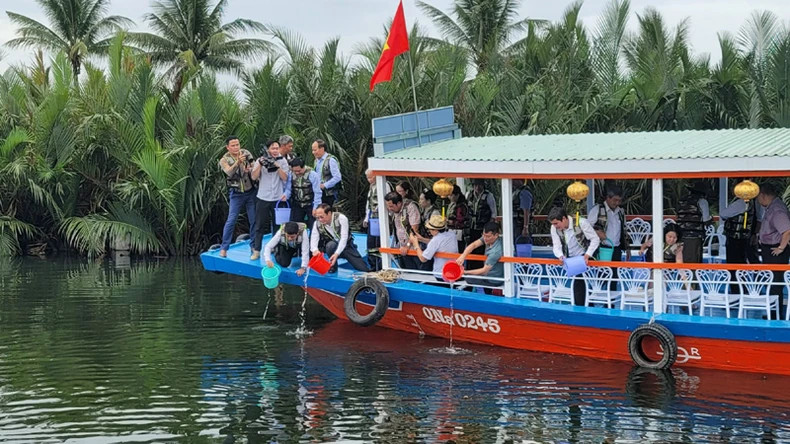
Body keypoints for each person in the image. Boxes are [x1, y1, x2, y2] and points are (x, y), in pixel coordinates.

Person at [549, 206, 600, 306]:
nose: (555, 226)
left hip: (583, 256)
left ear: (564, 219)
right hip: (568, 258)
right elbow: (556, 245)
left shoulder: (581, 222)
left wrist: (587, 254)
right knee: (579, 284)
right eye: (553, 224)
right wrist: (560, 255)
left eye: (556, 223)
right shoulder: (554, 228)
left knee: (579, 283)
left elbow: (595, 239)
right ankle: (586, 304)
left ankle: (581, 307)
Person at [218, 135, 256, 258]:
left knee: (254, 219)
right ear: (228, 147)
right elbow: (229, 172)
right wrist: (237, 162)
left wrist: (249, 169)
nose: (236, 147)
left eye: (237, 145)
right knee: (231, 220)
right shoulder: (224, 159)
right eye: (233, 145)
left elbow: (254, 166)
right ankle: (224, 248)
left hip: (250, 191)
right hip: (236, 194)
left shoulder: (246, 153)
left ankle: (254, 246)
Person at [250, 139, 289, 260]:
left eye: (277, 148)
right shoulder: (260, 160)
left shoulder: (282, 161)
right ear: (268, 150)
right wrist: (261, 164)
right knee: (259, 225)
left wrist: (277, 167)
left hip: (278, 198)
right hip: (263, 197)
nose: (275, 151)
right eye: (273, 148)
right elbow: (253, 177)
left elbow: (285, 178)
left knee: (278, 226)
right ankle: (256, 250)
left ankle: (276, 248)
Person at [756, 183, 790, 319]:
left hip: (775, 250)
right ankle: (772, 311)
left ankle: (775, 314)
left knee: (775, 282)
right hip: (769, 248)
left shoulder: (777, 209)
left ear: (763, 195)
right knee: (771, 281)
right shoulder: (771, 207)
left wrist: (781, 248)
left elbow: (787, 230)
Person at [590, 185, 630, 290]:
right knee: (601, 277)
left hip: (616, 248)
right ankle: (591, 301)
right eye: (615, 200)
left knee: (614, 277)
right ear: (608, 198)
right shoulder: (597, 210)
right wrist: (597, 233)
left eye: (619, 201)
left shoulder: (620, 212)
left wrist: (627, 248)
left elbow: (624, 230)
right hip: (602, 248)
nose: (617, 203)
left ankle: (610, 303)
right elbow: (586, 228)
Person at [310, 204, 369, 273]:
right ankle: (333, 266)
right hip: (333, 246)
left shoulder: (341, 218)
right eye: (318, 218)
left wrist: (337, 254)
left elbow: (344, 238)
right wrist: (315, 250)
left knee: (362, 268)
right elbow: (314, 237)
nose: (320, 220)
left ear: (329, 213)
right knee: (330, 245)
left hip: (347, 246)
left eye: (322, 217)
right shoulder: (317, 223)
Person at [456, 222, 505, 294]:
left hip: (493, 279)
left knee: (468, 278)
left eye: (488, 236)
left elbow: (484, 271)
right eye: (483, 235)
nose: (485, 239)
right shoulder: (488, 238)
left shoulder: (496, 251)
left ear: (496, 235)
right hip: (489, 274)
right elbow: (474, 245)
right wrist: (462, 256)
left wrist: (465, 272)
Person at [410, 215, 458, 282]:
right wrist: (422, 239)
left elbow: (423, 258)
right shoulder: (452, 234)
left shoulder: (435, 240)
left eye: (430, 229)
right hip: (454, 272)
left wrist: (416, 244)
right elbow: (439, 244)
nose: (429, 231)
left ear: (435, 230)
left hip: (441, 274)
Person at [363, 169, 392, 271]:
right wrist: (366, 218)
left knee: (380, 241)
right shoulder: (371, 187)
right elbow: (368, 203)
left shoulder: (385, 185)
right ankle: (372, 265)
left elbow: (388, 201)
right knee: (371, 242)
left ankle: (381, 266)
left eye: (371, 177)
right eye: (368, 178)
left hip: (381, 217)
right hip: (372, 217)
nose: (369, 180)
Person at [384, 191, 422, 270]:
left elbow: (415, 230)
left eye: (391, 206)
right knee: (406, 271)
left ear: (398, 203)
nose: (389, 209)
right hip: (402, 247)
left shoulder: (410, 207)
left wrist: (407, 246)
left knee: (417, 271)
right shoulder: (395, 211)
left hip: (414, 248)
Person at [676, 181, 712, 263]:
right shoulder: (702, 201)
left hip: (680, 234)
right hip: (695, 235)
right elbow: (706, 220)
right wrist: (711, 219)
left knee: (681, 259)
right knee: (693, 260)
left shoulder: (681, 200)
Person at [284, 157, 322, 229]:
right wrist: (285, 195)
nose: (297, 173)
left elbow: (317, 193)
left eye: (299, 171)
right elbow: (288, 189)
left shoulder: (313, 175)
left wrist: (316, 207)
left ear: (303, 167)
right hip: (297, 204)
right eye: (295, 171)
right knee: (295, 226)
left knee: (313, 226)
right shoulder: (291, 174)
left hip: (310, 204)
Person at [467, 179, 497, 269]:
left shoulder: (489, 196)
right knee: (471, 247)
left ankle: (480, 267)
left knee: (481, 248)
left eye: (479, 185)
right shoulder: (469, 194)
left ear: (483, 185)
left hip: (483, 227)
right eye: (475, 185)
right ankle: (470, 267)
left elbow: (493, 212)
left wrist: (490, 228)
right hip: (471, 226)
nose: (477, 187)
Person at [312, 139, 341, 206]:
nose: (313, 152)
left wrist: (325, 185)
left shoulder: (331, 160)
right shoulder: (316, 160)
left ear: (322, 149)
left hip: (329, 194)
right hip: (319, 193)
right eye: (312, 150)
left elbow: (337, 177)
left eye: (315, 150)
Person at [447, 185, 470, 253]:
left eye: (451, 195)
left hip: (459, 233)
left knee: (459, 251)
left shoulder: (461, 206)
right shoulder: (452, 204)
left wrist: (450, 222)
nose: (449, 197)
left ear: (457, 195)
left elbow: (461, 220)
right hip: (452, 232)